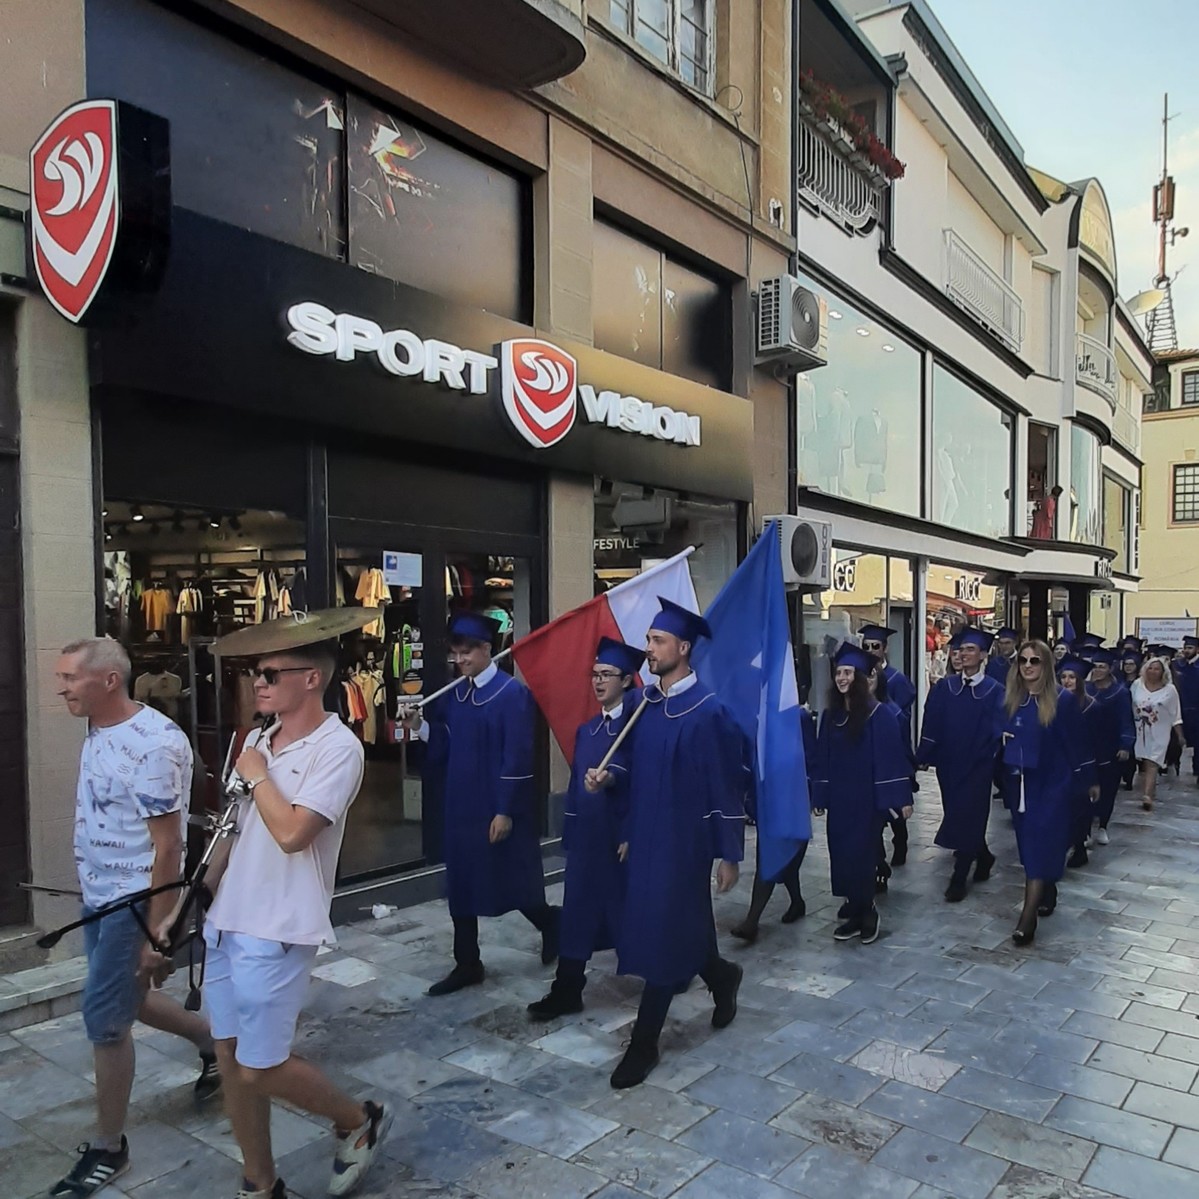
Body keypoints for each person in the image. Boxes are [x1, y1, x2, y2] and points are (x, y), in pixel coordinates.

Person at [186, 633, 390, 1199]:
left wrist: (258, 773)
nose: (259, 682)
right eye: (257, 672)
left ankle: (358, 1119)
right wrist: (200, 889)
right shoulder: (259, 737)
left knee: (260, 1065)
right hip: (228, 917)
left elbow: (295, 833)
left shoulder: (338, 748)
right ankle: (259, 1180)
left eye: (272, 674)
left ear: (312, 679)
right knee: (229, 1053)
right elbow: (236, 826)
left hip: (278, 923)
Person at [50, 638, 221, 1199]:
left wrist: (159, 933)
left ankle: (109, 1147)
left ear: (108, 681)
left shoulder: (154, 746)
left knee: (105, 1020)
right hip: (99, 896)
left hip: (133, 903)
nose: (61, 688)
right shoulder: (98, 726)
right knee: (133, 999)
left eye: (70, 678)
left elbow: (169, 847)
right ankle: (213, 1042)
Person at [609, 598, 747, 1089]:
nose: (648, 648)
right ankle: (721, 975)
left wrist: (729, 853)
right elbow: (631, 767)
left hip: (686, 844)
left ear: (683, 648)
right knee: (680, 926)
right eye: (648, 639)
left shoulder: (709, 712)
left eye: (657, 641)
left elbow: (725, 786)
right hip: (646, 837)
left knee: (664, 934)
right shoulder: (644, 706)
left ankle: (644, 1042)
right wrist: (608, 780)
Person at [404, 612, 559, 996]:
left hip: (496, 806)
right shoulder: (456, 693)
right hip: (461, 806)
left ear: (487, 649)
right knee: (461, 884)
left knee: (512, 880)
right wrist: (419, 728)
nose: (461, 660)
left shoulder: (512, 695)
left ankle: (552, 924)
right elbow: (446, 743)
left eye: (467, 653)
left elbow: (517, 757)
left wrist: (505, 809)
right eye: (456, 653)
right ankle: (467, 962)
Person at [528, 637, 641, 1018]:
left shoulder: (638, 725)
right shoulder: (588, 731)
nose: (598, 682)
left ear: (626, 680)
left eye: (607, 674)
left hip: (621, 838)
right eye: (594, 674)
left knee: (635, 910)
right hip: (590, 839)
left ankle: (683, 967)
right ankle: (567, 989)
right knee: (577, 911)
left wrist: (628, 823)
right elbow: (578, 785)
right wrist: (571, 831)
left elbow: (641, 779)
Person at [811, 644, 913, 944]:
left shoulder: (879, 715)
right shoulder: (831, 715)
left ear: (859, 678)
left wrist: (899, 799)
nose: (842, 678)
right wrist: (819, 796)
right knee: (842, 856)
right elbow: (822, 758)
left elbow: (890, 759)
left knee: (863, 856)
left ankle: (868, 913)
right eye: (838, 673)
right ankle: (854, 912)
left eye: (848, 673)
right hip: (840, 801)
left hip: (867, 801)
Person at [1000, 640, 1097, 946]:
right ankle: (1046, 886)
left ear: (1046, 665)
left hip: (1053, 784)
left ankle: (1027, 916)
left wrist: (1089, 779)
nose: (1028, 666)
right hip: (1021, 786)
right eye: (1023, 661)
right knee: (1030, 846)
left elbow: (1078, 742)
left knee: (1041, 843)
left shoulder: (1062, 700)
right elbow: (995, 732)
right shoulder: (1010, 699)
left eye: (1035, 661)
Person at [916, 628, 1005, 904]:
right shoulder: (945, 688)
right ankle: (984, 856)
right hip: (949, 764)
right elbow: (932, 722)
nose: (963, 654)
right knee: (957, 813)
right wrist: (924, 754)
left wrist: (990, 758)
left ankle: (959, 876)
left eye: (970, 649)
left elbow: (998, 730)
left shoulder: (995, 691)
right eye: (960, 649)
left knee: (972, 815)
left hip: (978, 766)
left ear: (983, 655)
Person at [730, 705, 813, 943]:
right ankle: (795, 903)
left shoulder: (799, 717)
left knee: (778, 856)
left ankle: (752, 921)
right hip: (767, 799)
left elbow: (811, 757)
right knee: (778, 856)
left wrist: (813, 794)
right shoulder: (754, 717)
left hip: (792, 799)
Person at [858, 625, 914, 867]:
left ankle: (900, 841)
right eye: (866, 646)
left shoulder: (897, 679)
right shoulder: (859, 675)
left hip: (893, 752)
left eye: (875, 646)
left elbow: (903, 719)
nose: (871, 650)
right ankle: (879, 862)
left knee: (895, 810)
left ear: (885, 648)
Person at [1084, 649, 1135, 844]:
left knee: (1108, 788)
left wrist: (1125, 745)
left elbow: (1126, 720)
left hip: (1110, 746)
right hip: (1088, 745)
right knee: (1085, 789)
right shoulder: (1086, 690)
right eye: (1095, 667)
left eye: (1102, 667)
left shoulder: (1120, 693)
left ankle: (1103, 826)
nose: (1098, 670)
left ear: (1109, 669)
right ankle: (1085, 830)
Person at [1057, 655, 1100, 869]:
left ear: (1081, 680)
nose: (1067, 681)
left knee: (1080, 810)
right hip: (1060, 764)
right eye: (1064, 677)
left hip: (1083, 766)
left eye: (1072, 677)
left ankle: (1078, 847)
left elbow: (1097, 742)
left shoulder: (1092, 707)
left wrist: (1094, 776)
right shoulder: (1054, 703)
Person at [1131, 655, 1184, 812]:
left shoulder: (1170, 690)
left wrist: (1180, 735)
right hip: (1139, 730)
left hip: (1160, 731)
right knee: (1143, 762)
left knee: (1153, 762)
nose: (1153, 671)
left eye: (1157, 669)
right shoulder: (1137, 685)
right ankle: (1149, 789)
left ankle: (1147, 796)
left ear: (1163, 672)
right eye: (1150, 668)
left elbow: (1175, 714)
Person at [1174, 635, 1199, 786]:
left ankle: (1197, 770)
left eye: (1190, 648)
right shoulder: (1177, 666)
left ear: (1197, 649)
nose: (1186, 651)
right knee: (1176, 741)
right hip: (1180, 709)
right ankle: (1172, 765)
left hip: (1197, 710)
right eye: (1185, 648)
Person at [1118, 649, 1143, 790]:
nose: (1128, 667)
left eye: (1131, 664)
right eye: (1126, 664)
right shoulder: (1118, 681)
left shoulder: (1141, 683)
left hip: (1137, 717)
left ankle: (1129, 777)